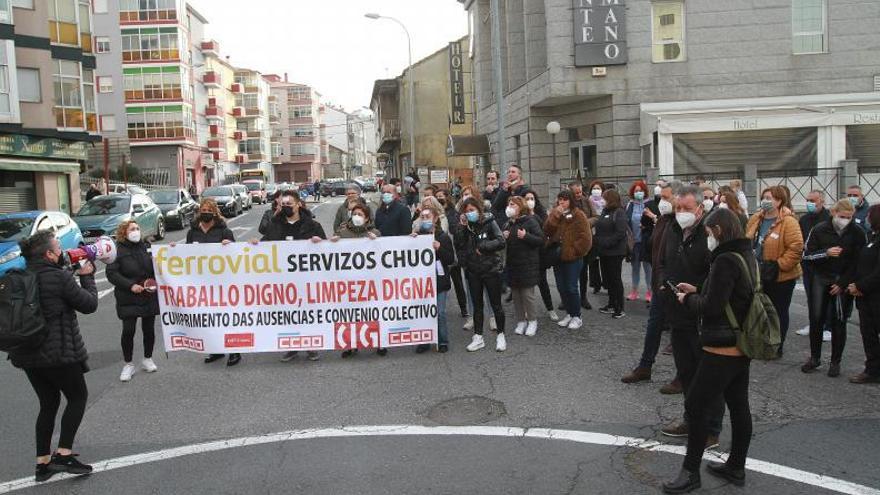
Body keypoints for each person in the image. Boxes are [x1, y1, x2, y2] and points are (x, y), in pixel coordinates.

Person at [662, 208, 755, 493]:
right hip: (742, 342)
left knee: (696, 405)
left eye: (709, 232)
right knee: (738, 405)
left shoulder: (725, 259)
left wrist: (687, 299)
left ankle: (690, 473)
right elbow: (729, 293)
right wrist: (700, 286)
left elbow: (711, 306)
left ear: (719, 230)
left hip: (721, 345)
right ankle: (736, 466)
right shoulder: (745, 254)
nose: (708, 237)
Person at [10, 230, 97, 482]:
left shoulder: (20, 277)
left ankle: (42, 463)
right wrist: (87, 276)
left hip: (26, 354)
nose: (62, 252)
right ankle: (64, 454)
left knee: (48, 403)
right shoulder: (59, 277)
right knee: (78, 397)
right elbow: (89, 304)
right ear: (49, 254)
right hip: (58, 353)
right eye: (58, 248)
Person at [655, 185, 724, 446]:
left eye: (686, 208)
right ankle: (691, 419)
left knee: (707, 375)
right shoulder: (673, 229)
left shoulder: (710, 233)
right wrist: (664, 282)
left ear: (699, 208)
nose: (681, 213)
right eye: (677, 208)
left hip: (701, 313)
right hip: (677, 311)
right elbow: (662, 262)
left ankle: (711, 429)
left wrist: (699, 291)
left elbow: (720, 272)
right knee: (686, 373)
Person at [261, 190, 327, 362]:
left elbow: (327, 250)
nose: (286, 207)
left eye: (289, 204)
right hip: (283, 280)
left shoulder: (313, 225)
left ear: (298, 204)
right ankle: (292, 346)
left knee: (308, 313)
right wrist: (255, 246)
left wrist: (320, 243)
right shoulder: (274, 225)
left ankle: (311, 345)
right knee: (288, 313)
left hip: (306, 279)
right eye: (283, 205)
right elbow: (266, 244)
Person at [802, 199, 865, 377]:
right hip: (820, 278)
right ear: (833, 213)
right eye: (841, 216)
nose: (845, 220)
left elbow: (859, 262)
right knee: (816, 319)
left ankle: (835, 362)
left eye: (849, 217)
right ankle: (815, 358)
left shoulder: (857, 233)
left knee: (839, 321)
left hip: (843, 280)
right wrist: (826, 253)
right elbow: (807, 255)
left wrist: (843, 283)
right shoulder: (820, 229)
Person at [622, 182, 676, 384]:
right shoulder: (663, 221)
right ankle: (644, 366)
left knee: (680, 332)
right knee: (653, 326)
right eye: (661, 197)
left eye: (667, 197)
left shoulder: (682, 224)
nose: (663, 201)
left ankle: (682, 376)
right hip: (659, 283)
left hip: (676, 285)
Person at [745, 186, 803, 356]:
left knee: (778, 311)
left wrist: (778, 265)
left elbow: (796, 248)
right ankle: (763, 341)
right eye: (764, 197)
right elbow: (747, 238)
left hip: (781, 276)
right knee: (761, 309)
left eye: (769, 198)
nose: (765, 201)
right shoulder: (757, 218)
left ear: (779, 201)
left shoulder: (789, 221)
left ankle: (777, 345)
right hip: (758, 272)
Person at [183, 199, 239, 365]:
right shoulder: (192, 232)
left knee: (226, 317)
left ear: (214, 212)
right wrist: (173, 251)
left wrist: (229, 245)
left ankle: (234, 351)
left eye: (209, 209)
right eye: (203, 209)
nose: (205, 212)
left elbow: (236, 254)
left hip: (222, 282)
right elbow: (185, 255)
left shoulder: (224, 231)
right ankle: (216, 349)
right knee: (209, 317)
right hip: (202, 283)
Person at [107, 220, 160, 381]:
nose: (136, 231)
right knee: (128, 330)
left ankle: (147, 358)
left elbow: (158, 263)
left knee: (149, 329)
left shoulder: (146, 246)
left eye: (137, 228)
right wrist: (130, 286)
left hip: (148, 294)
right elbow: (112, 273)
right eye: (132, 229)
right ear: (124, 232)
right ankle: (128, 364)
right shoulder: (117, 250)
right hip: (128, 296)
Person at [331, 204, 385, 358]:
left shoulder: (375, 233)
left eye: (360, 214)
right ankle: (350, 344)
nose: (357, 216)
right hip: (349, 282)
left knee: (374, 312)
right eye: (354, 213)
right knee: (351, 314)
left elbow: (385, 255)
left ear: (367, 218)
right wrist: (332, 242)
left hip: (370, 281)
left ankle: (379, 342)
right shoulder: (342, 233)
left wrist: (377, 242)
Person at [454, 197, 507, 352]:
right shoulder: (465, 226)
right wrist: (463, 228)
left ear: (478, 209)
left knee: (496, 304)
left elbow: (501, 241)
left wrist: (484, 246)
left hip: (490, 270)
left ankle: (501, 335)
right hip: (473, 271)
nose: (469, 213)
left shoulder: (489, 222)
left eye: (472, 210)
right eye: (466, 211)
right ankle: (478, 337)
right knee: (477, 306)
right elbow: (459, 244)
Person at [544, 190, 592, 330]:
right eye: (560, 200)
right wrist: (555, 215)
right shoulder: (556, 213)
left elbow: (586, 238)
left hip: (572, 257)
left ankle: (577, 316)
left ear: (570, 200)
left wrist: (574, 251)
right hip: (557, 256)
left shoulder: (579, 215)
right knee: (561, 287)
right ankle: (570, 314)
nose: (562, 202)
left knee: (571, 287)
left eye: (565, 200)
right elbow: (547, 230)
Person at [411, 206, 455, 353]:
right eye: (422, 217)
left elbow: (451, 260)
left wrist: (440, 248)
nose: (425, 220)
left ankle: (442, 340)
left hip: (439, 281)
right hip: (422, 283)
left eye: (428, 217)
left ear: (435, 219)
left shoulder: (443, 237)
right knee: (423, 311)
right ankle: (425, 341)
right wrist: (410, 241)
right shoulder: (418, 237)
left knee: (440, 312)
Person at [503, 196, 545, 336]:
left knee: (527, 295)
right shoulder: (508, 224)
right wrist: (504, 237)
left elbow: (540, 240)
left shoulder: (530, 221)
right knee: (516, 295)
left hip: (528, 265)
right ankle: (521, 321)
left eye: (513, 205)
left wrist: (526, 236)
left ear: (520, 207)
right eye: (509, 204)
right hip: (513, 265)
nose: (510, 207)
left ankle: (532, 321)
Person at [847, 204, 880, 384]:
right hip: (865, 298)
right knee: (868, 335)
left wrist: (860, 286)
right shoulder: (871, 237)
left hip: (874, 296)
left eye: (869, 216)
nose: (866, 219)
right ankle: (872, 370)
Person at [797, 190, 832, 339]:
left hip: (824, 264)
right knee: (811, 296)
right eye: (808, 200)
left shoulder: (829, 218)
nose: (809, 203)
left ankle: (828, 327)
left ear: (822, 201)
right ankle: (814, 324)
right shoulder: (804, 219)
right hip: (807, 263)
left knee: (826, 297)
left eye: (813, 200)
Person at [595, 189, 629, 319]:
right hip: (604, 251)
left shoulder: (619, 212)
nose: (602, 200)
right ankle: (611, 303)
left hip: (615, 252)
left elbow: (621, 233)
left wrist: (606, 242)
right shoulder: (605, 211)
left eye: (604, 198)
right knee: (608, 279)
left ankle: (619, 307)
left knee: (615, 279)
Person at [524, 189, 557, 321]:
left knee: (543, 284)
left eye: (532, 198)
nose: (529, 201)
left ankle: (550, 309)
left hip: (539, 256)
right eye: (527, 199)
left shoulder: (539, 216)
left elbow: (544, 235)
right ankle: (528, 311)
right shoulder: (519, 217)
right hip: (525, 256)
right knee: (527, 287)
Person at [437, 189, 469, 319]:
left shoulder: (453, 213)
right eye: (437, 196)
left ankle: (463, 308)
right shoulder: (435, 213)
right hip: (439, 253)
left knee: (458, 281)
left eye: (441, 196)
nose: (439, 198)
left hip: (451, 250)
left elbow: (455, 229)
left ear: (446, 197)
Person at [570, 181, 599, 310]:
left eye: (580, 192)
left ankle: (583, 297)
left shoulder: (587, 201)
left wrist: (585, 223)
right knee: (570, 271)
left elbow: (596, 217)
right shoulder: (565, 201)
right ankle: (568, 298)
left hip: (585, 240)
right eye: (576, 192)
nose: (578, 195)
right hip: (570, 241)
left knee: (583, 270)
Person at [626, 180, 653, 302]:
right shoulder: (629, 205)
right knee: (635, 267)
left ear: (645, 191)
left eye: (641, 191)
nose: (639, 193)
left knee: (648, 268)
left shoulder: (650, 204)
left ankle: (650, 291)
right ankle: (634, 291)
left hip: (646, 242)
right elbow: (627, 222)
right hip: (634, 242)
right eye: (636, 191)